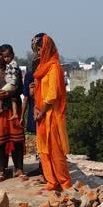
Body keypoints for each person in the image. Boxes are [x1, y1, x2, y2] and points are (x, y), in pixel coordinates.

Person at [31, 33, 71, 191]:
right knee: (43, 151)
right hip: (41, 114)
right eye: (36, 49)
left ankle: (65, 183)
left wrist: (42, 112)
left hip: (51, 115)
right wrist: (35, 108)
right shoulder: (41, 68)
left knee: (55, 150)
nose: (38, 52)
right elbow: (38, 92)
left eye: (40, 48)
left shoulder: (54, 67)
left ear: (47, 48)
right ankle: (51, 181)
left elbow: (52, 95)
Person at [0, 44, 26, 182]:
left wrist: (10, 91)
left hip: (13, 109)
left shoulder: (14, 69)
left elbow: (20, 88)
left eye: (0, 54)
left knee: (17, 140)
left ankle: (19, 168)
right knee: (1, 142)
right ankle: (2, 169)